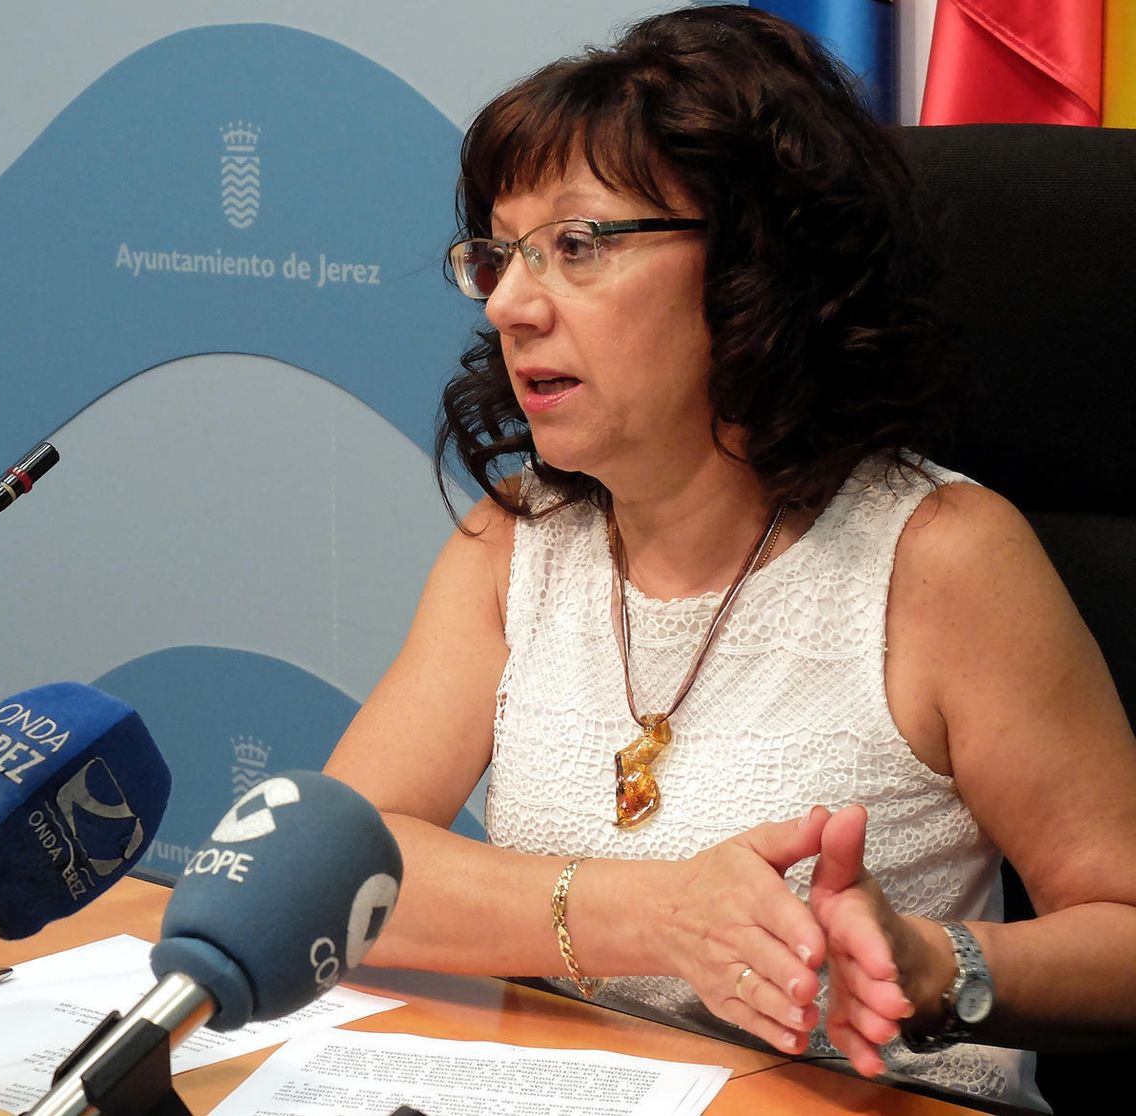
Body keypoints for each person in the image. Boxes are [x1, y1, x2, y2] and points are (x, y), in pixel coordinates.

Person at [323, 5, 1136, 1110]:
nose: (511, 304)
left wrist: (935, 966)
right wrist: (647, 914)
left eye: (577, 244)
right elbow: (333, 868)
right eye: (502, 253)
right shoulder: (514, 543)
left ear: (756, 267)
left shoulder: (941, 559)